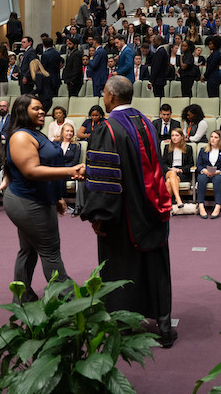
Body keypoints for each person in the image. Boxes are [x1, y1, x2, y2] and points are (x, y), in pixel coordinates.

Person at [80, 75, 177, 348]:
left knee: (122, 267)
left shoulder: (108, 128)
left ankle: (121, 328)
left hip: (122, 216)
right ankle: (165, 326)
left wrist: (99, 216)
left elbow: (104, 179)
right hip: (152, 210)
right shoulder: (147, 123)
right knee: (154, 266)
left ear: (110, 96)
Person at [4, 94, 85, 303]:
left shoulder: (34, 133)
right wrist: (70, 171)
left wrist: (57, 197)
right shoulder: (21, 136)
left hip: (36, 199)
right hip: (28, 202)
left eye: (42, 108)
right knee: (50, 252)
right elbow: (32, 171)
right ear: (23, 111)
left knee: (28, 249)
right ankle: (69, 304)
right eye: (36, 109)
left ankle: (22, 298)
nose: (42, 112)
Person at [195, 130, 221, 219]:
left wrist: (218, 171)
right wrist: (204, 170)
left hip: (218, 173)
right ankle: (201, 205)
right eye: (211, 137)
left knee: (218, 179)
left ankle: (218, 206)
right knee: (201, 179)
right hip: (205, 172)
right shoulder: (203, 150)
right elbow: (198, 165)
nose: (213, 139)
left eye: (216, 137)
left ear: (220, 139)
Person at [163, 127, 195, 209]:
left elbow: (190, 164)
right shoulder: (167, 147)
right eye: (172, 135)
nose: (174, 137)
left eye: (177, 135)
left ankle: (168, 205)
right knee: (172, 174)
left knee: (169, 181)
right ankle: (178, 199)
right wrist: (170, 169)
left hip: (182, 173)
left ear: (181, 137)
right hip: (169, 171)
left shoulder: (188, 148)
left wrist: (180, 170)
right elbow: (163, 163)